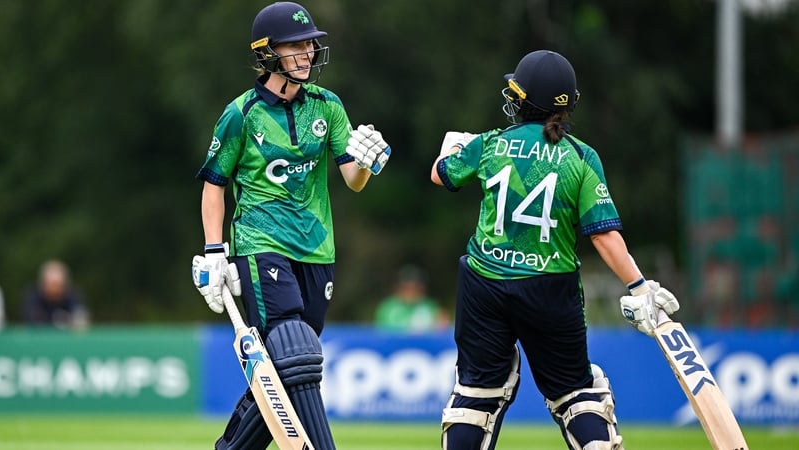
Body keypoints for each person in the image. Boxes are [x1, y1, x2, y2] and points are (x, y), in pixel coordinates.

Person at [430, 50, 680, 450]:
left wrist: (450, 150)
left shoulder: (491, 144)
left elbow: (440, 175)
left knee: (476, 394)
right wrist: (638, 286)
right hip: (550, 288)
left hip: (485, 284)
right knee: (577, 393)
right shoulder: (581, 156)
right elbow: (603, 235)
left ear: (523, 100)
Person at [190, 3, 391, 449]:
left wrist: (366, 163)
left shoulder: (328, 106)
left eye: (309, 44)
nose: (307, 52)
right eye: (296, 45)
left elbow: (351, 181)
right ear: (267, 53)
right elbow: (213, 186)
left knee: (289, 365)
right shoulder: (241, 114)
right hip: (260, 243)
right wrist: (216, 252)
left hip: (317, 249)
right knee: (295, 350)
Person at [374, 264, 449, 332]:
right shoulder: (387, 307)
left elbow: (442, 328)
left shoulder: (431, 307)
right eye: (406, 288)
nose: (411, 292)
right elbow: (381, 332)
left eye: (415, 287)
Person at [21, 259, 90, 330]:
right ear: (43, 283)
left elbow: (80, 318)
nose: (54, 289)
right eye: (51, 284)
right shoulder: (33, 296)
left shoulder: (73, 295)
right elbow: (32, 319)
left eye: (58, 285)